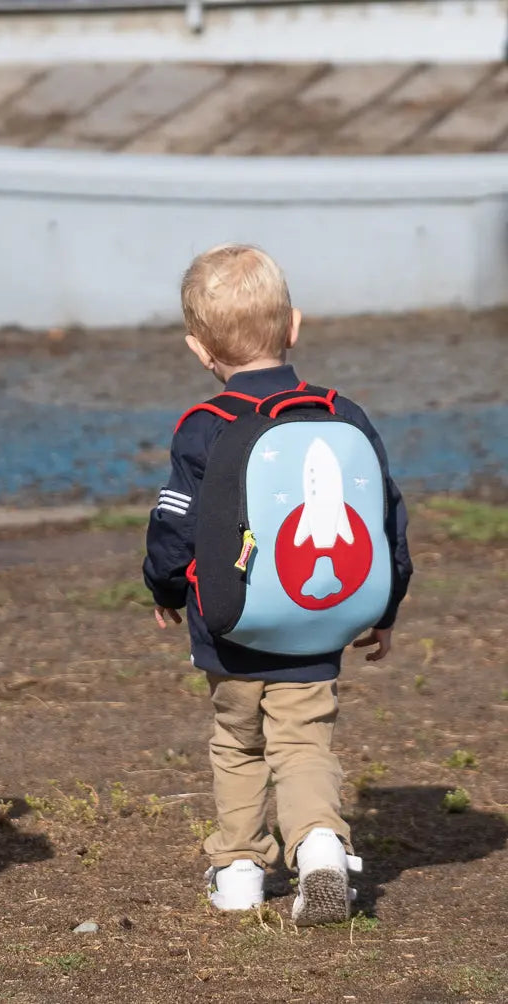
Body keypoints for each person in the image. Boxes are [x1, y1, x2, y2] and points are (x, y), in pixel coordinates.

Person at [143, 244, 412, 925]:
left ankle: (237, 869)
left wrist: (167, 588)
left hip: (230, 625)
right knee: (303, 740)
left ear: (199, 350)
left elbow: (173, 521)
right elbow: (382, 515)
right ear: (294, 326)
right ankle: (318, 843)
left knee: (237, 741)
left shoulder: (204, 429)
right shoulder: (340, 415)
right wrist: (386, 601)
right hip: (316, 617)